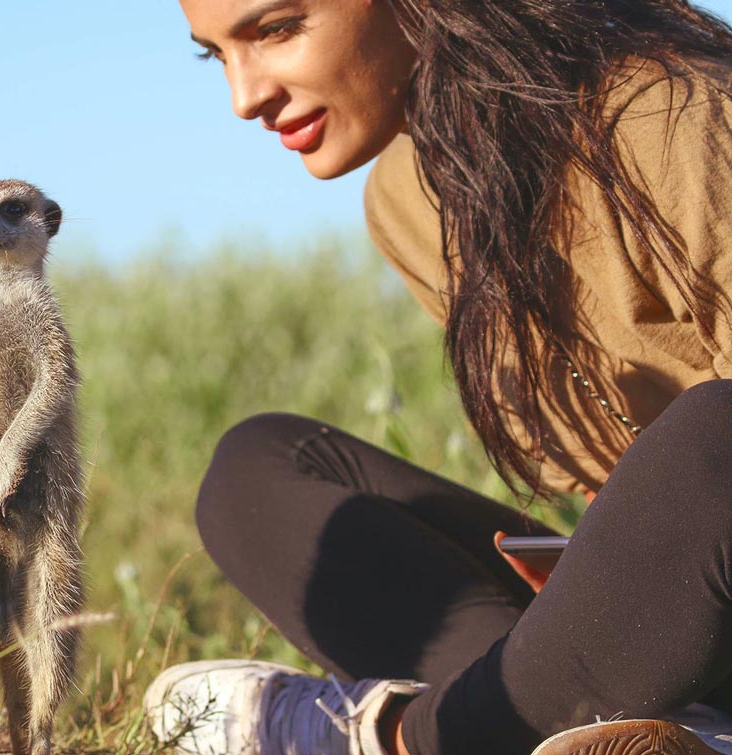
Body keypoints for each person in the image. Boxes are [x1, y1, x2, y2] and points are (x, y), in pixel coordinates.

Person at [142, 1, 732, 754]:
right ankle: (633, 731)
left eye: (278, 28)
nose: (244, 95)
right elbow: (607, 481)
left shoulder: (673, 112)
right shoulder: (409, 199)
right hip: (665, 632)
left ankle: (406, 738)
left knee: (718, 432)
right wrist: (595, 575)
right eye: (215, 54)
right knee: (256, 473)